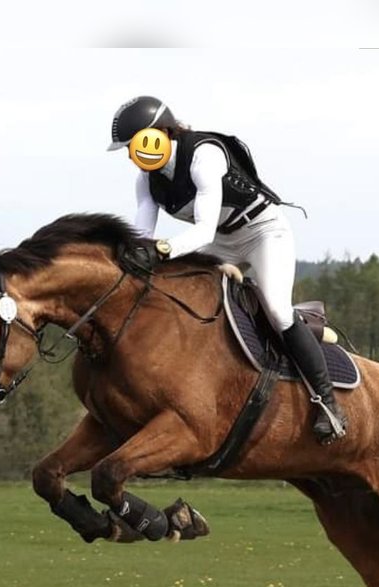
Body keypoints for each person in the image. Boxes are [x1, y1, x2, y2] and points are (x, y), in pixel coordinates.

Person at [107, 95, 348, 444]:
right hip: (221, 240)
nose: (135, 156)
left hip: (262, 232)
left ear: (159, 133)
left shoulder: (204, 155)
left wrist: (165, 249)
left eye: (136, 145)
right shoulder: (147, 180)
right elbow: (143, 234)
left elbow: (201, 230)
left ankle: (327, 404)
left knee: (278, 311)